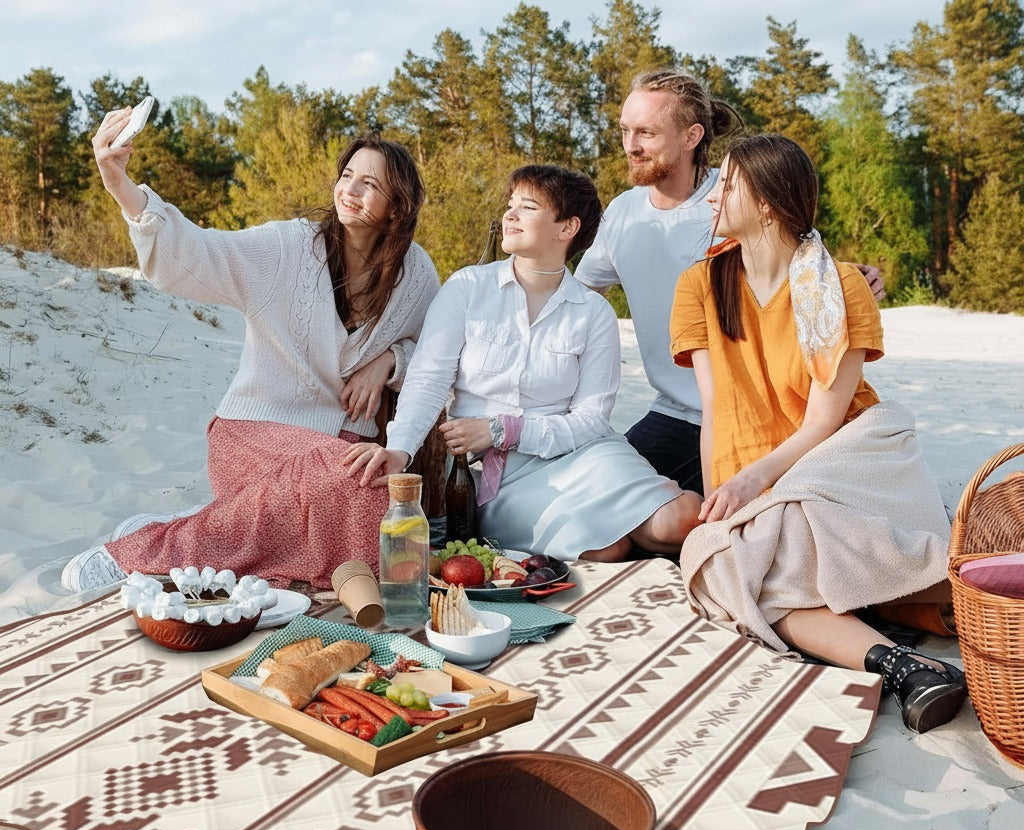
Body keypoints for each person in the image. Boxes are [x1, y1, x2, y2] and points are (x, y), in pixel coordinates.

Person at [61, 115, 439, 592]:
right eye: (347, 176)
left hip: (342, 449)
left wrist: (391, 361)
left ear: (396, 206)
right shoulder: (289, 246)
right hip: (254, 434)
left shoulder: (416, 275)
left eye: (370, 184)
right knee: (358, 491)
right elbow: (200, 252)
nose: (350, 190)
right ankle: (145, 551)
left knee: (383, 522)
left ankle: (216, 517)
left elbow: (439, 356)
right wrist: (120, 185)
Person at [670, 134, 966, 734]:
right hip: (760, 474)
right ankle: (904, 666)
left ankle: (961, 598)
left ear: (768, 203)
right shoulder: (699, 285)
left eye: (727, 184)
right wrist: (721, 497)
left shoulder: (840, 285)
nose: (712, 197)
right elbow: (715, 407)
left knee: (795, 553)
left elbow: (825, 422)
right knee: (730, 567)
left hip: (844, 458)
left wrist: (758, 483)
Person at [344, 164, 701, 561]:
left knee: (681, 520)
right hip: (498, 478)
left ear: (567, 228)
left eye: (527, 207)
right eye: (510, 205)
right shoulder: (468, 288)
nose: (510, 215)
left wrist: (504, 430)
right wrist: (400, 450)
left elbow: (591, 420)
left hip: (585, 456)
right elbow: (427, 380)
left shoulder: (593, 312)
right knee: (605, 548)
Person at [575, 69, 884, 494]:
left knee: (700, 512)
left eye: (646, 132)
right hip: (675, 411)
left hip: (764, 412)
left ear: (691, 136)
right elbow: (578, 299)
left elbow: (797, 258)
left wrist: (848, 277)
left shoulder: (738, 197)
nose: (631, 145)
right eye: (625, 130)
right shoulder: (622, 214)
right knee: (602, 499)